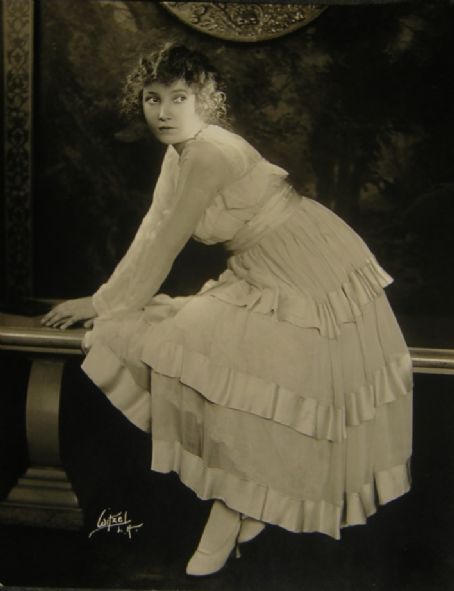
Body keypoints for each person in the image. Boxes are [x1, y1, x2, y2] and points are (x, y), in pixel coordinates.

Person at [41, 44, 413, 577]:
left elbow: (166, 244)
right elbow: (152, 230)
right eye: (152, 99)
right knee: (202, 355)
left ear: (206, 99)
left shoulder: (209, 153)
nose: (164, 112)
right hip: (263, 268)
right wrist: (103, 301)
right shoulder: (180, 154)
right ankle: (248, 500)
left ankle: (238, 504)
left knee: (247, 370)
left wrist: (103, 303)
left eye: (179, 98)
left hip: (311, 268)